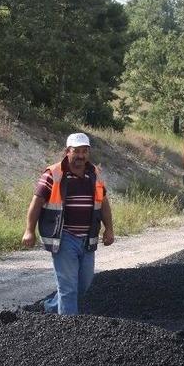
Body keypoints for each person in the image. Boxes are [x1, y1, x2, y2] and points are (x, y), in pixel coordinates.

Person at [22, 133, 115, 314]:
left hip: (88, 238)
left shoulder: (93, 174)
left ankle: (50, 307)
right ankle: (69, 332)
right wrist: (29, 230)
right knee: (68, 288)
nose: (81, 155)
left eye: (85, 151)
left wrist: (109, 230)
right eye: (76, 151)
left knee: (83, 285)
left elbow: (103, 203)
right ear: (67, 151)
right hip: (64, 237)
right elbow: (36, 202)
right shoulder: (53, 174)